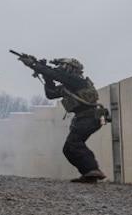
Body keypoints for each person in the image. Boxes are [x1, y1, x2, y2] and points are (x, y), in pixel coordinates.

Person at [17, 55, 107, 183]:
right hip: (84, 118)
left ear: (71, 68)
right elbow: (51, 94)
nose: (60, 69)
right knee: (68, 149)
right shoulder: (70, 85)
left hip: (90, 116)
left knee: (74, 143)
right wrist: (47, 78)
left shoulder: (76, 80)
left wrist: (35, 65)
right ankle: (88, 174)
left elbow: (57, 75)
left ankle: (93, 168)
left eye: (62, 66)